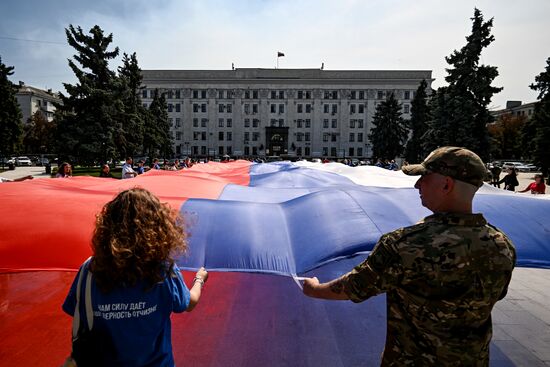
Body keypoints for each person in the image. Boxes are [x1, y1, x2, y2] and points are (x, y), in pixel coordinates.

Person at [302, 146, 516, 366]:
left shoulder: (405, 244)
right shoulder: (502, 244)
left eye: (424, 177)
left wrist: (314, 289)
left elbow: (354, 287)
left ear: (446, 184)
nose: (417, 184)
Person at [62, 188, 209, 366]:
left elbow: (78, 314)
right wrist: (199, 279)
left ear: (108, 226)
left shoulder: (90, 270)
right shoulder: (163, 270)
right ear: (158, 226)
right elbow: (189, 303)